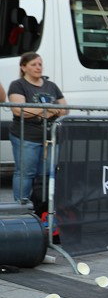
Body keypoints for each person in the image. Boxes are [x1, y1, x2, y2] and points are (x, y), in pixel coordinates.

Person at [7, 52, 66, 204]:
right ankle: (21, 207)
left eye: (40, 64)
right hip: (26, 136)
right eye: (33, 64)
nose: (38, 67)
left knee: (45, 175)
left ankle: (41, 207)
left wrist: (40, 110)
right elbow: (19, 110)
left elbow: (65, 109)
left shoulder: (51, 85)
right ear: (23, 67)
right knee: (25, 173)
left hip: (51, 137)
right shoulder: (18, 85)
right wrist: (48, 109)